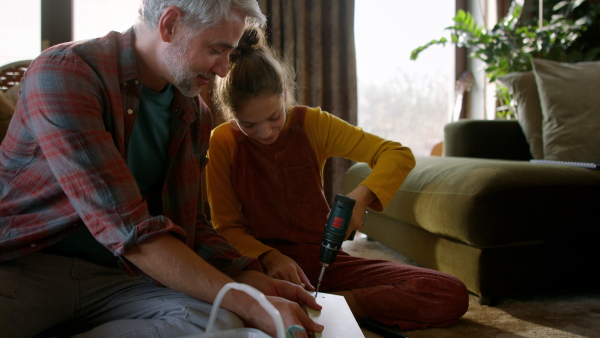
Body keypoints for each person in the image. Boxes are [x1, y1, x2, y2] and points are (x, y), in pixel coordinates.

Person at [0, 1, 324, 337]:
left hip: (116, 277)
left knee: (220, 320)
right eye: (216, 49)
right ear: (169, 24)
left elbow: (192, 226)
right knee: (236, 309)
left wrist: (248, 280)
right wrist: (248, 302)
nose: (224, 70)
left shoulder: (193, 114)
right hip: (25, 267)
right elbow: (128, 228)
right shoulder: (64, 73)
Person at [207, 27, 470, 331]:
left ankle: (330, 305)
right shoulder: (222, 142)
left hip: (324, 262)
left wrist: (362, 196)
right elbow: (226, 227)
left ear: (284, 97)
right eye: (249, 124)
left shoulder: (313, 124)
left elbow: (396, 154)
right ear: (230, 114)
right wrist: (269, 256)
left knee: (449, 293)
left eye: (274, 118)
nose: (265, 133)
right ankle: (310, 304)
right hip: (261, 267)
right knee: (215, 302)